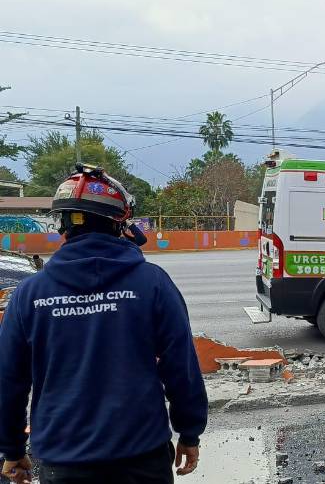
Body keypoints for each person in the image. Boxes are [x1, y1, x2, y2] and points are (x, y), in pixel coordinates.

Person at [0, 164, 207, 484]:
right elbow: (181, 366)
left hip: (62, 460)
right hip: (142, 456)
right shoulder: (152, 283)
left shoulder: (30, 294)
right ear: (119, 226)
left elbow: (9, 381)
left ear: (63, 226)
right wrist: (189, 432)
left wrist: (12, 449)